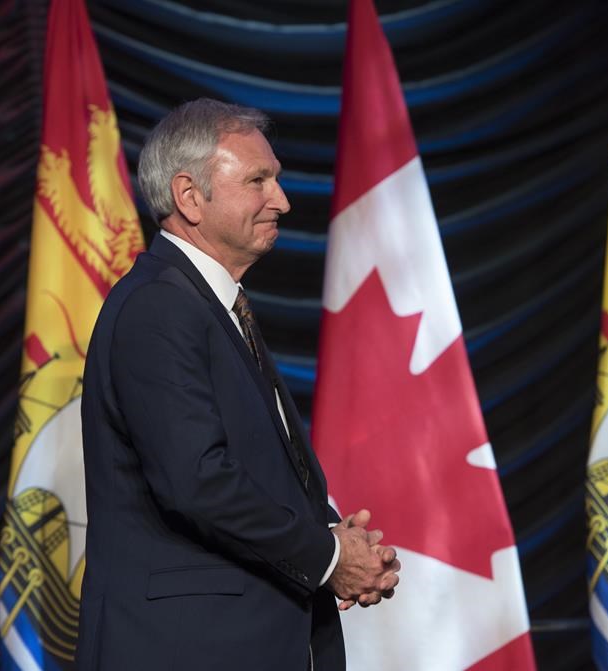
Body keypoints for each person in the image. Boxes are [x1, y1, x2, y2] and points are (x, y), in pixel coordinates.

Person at [76, 98, 400, 671]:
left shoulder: (209, 306)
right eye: (258, 180)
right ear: (189, 196)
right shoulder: (158, 307)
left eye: (275, 179)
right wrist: (328, 558)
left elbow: (255, 470)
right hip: (188, 650)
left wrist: (335, 538)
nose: (282, 200)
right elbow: (197, 480)